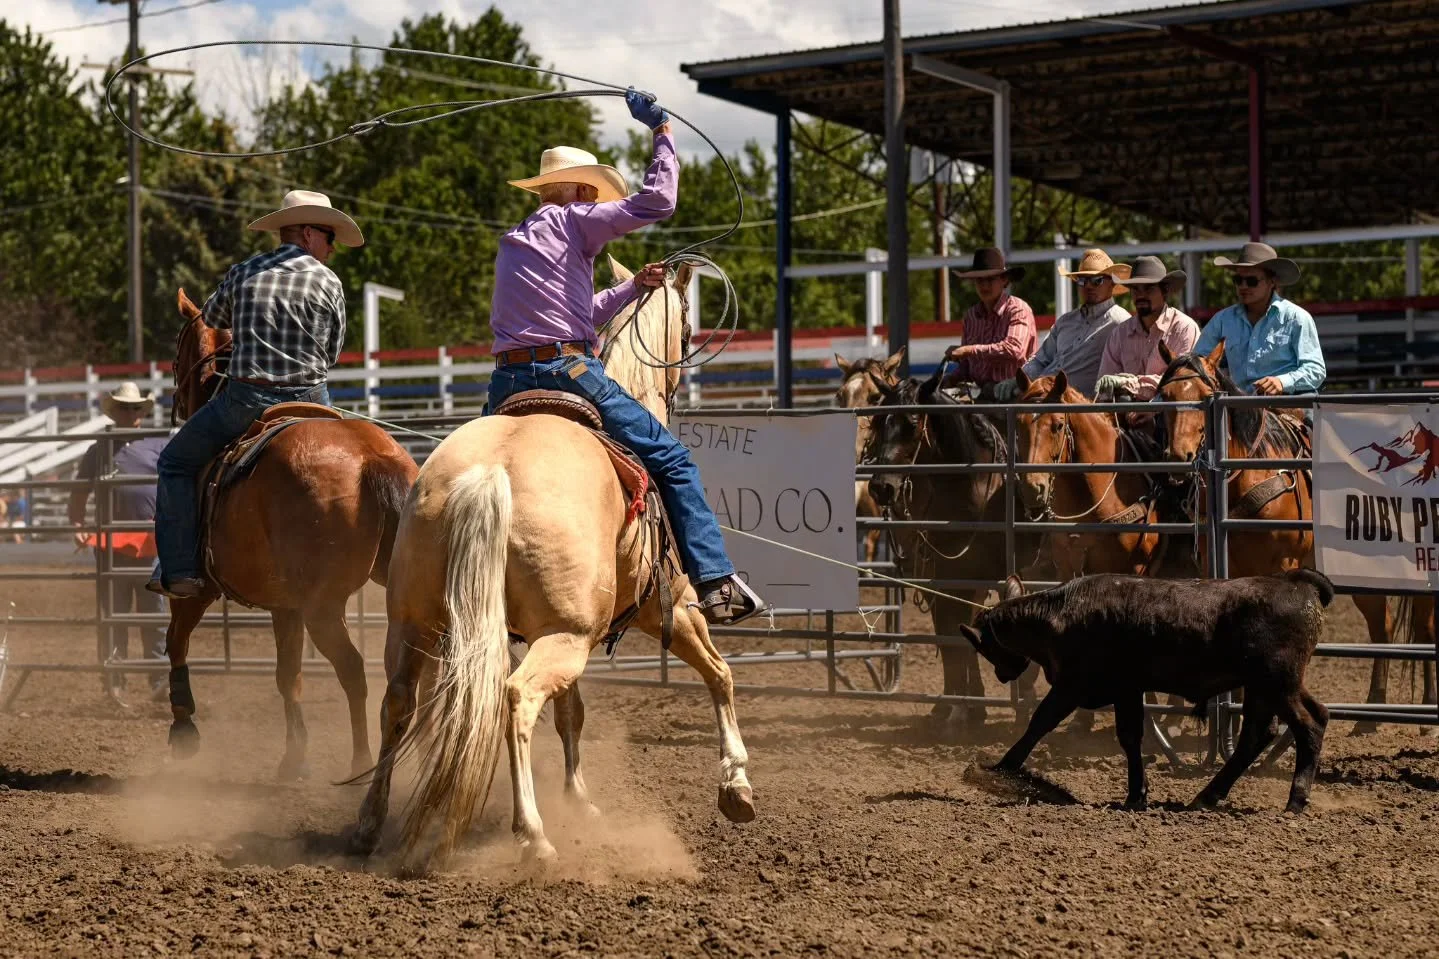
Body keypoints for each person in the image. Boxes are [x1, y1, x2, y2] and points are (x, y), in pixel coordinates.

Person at [485, 88, 761, 625]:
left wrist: (634, 286)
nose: (596, 202)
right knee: (674, 461)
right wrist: (661, 132)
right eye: (590, 192)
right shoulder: (574, 221)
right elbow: (659, 201)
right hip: (566, 372)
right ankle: (713, 579)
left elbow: (576, 311)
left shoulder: (516, 239)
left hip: (506, 382)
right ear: (577, 191)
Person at [150, 190, 362, 599]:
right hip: (312, 402)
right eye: (329, 238)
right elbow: (332, 351)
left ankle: (179, 571)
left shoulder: (243, 272)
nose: (332, 248)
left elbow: (209, 321)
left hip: (246, 401)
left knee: (174, 462)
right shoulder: (329, 281)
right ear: (306, 233)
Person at [70, 383, 170, 696]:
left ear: (142, 411)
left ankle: (158, 679)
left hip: (150, 542)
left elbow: (174, 486)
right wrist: (77, 523)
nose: (130, 412)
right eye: (124, 408)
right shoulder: (99, 448)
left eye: (134, 408)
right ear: (115, 411)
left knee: (153, 613)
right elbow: (80, 492)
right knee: (113, 614)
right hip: (110, 544)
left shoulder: (159, 443)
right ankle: (114, 680)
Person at [993, 248, 1130, 400]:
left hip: (1075, 409)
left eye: (1097, 280)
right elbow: (1040, 359)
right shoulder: (1065, 321)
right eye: (1082, 280)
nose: (1088, 286)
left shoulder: (1122, 322)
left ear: (1112, 283)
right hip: (1041, 397)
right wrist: (1018, 380)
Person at [1194, 241, 1325, 397]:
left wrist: (1282, 382)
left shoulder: (1297, 318)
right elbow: (1197, 362)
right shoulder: (1222, 320)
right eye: (1238, 280)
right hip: (1238, 406)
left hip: (1289, 401)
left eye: (1251, 281)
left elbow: (1316, 370)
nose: (1243, 286)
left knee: (1309, 417)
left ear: (1272, 281)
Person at [1096, 255, 1201, 401]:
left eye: (1149, 289)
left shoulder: (1184, 328)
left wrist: (1129, 384)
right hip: (1126, 415)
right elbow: (1105, 385)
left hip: (1168, 414)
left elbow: (1182, 381)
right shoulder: (1119, 334)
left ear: (1165, 291)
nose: (1141, 295)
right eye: (1135, 289)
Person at [938, 248, 1038, 396]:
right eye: (979, 280)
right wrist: (952, 378)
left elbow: (1014, 349)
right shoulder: (971, 316)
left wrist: (969, 350)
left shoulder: (1018, 309)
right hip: (984, 395)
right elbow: (968, 366)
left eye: (990, 279)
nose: (984, 286)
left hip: (1017, 395)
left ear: (1004, 280)